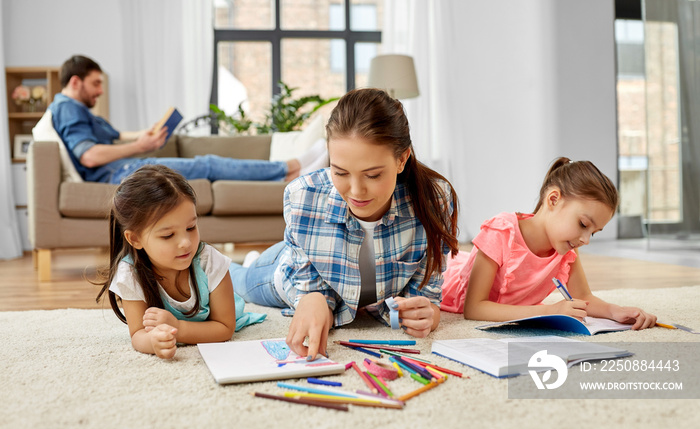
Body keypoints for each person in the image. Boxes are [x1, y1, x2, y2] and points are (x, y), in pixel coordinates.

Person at [228, 88, 460, 360]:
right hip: (284, 271)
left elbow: (425, 295)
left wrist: (428, 314)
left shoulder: (435, 199)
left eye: (372, 175)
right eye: (339, 172)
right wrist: (313, 300)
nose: (356, 191)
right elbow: (309, 288)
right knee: (233, 280)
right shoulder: (302, 195)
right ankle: (243, 261)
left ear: (402, 159)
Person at [441, 157, 657, 330]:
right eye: (583, 224)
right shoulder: (502, 232)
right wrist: (549, 311)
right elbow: (474, 309)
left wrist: (615, 311)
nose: (586, 240)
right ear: (553, 199)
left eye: (594, 232)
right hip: (449, 277)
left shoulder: (566, 247)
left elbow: (583, 296)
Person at [49, 55, 325, 184]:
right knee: (208, 164)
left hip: (121, 168)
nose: (100, 90)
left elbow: (115, 135)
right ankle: (291, 168)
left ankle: (290, 169)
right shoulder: (68, 108)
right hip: (120, 172)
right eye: (96, 83)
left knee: (208, 163)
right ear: (76, 82)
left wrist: (146, 133)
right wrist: (141, 147)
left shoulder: (78, 111)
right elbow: (89, 157)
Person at [95, 165, 264, 359]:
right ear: (135, 239)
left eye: (191, 227)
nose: (185, 243)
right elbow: (137, 334)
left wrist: (178, 328)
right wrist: (154, 342)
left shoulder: (210, 261)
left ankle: (252, 263)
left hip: (229, 284)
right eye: (168, 235)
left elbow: (225, 328)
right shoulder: (129, 273)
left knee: (252, 282)